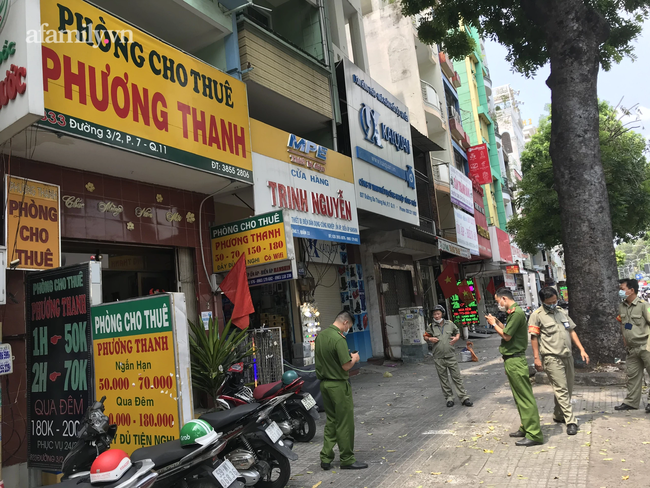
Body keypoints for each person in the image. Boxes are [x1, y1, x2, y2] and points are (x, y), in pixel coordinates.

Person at [486, 288, 543, 446]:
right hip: (511, 360)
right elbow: (506, 329)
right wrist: (497, 322)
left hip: (516, 360)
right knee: (519, 397)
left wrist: (493, 324)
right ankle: (526, 427)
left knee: (524, 397)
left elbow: (506, 336)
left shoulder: (516, 313)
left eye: (498, 301)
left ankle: (534, 433)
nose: (498, 304)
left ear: (504, 298)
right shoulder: (513, 313)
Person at [528, 287, 589, 435]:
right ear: (543, 301)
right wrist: (536, 358)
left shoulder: (561, 312)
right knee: (561, 389)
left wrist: (581, 349)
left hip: (567, 355)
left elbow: (571, 331)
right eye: (550, 302)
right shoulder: (537, 316)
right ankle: (571, 421)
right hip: (551, 357)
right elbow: (534, 337)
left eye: (555, 301)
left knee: (567, 388)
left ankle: (558, 414)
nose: (553, 304)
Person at [314, 310, 367, 470]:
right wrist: (354, 358)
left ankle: (326, 457)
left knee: (331, 420)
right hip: (338, 385)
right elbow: (346, 366)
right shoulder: (339, 339)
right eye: (349, 326)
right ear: (345, 322)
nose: (348, 329)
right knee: (345, 423)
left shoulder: (321, 336)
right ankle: (347, 459)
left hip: (324, 384)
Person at [424, 305, 473, 408]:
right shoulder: (431, 326)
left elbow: (457, 332)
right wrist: (429, 339)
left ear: (442, 314)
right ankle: (449, 398)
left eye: (438, 314)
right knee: (443, 379)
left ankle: (464, 397)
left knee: (457, 377)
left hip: (451, 356)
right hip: (438, 357)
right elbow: (425, 336)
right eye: (434, 314)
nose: (436, 316)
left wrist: (456, 338)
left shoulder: (450, 324)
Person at [615, 279, 650, 413]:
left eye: (622, 289)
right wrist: (625, 342)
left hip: (645, 346)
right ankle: (631, 402)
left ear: (631, 290)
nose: (620, 291)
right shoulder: (622, 306)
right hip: (632, 348)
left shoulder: (644, 305)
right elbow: (623, 325)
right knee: (632, 376)